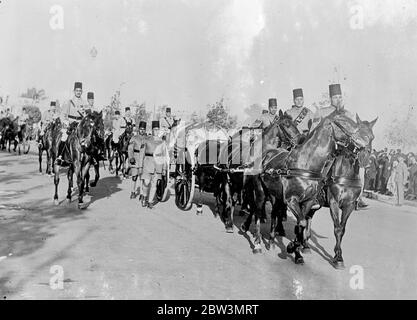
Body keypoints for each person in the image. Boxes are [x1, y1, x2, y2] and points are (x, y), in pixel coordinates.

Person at [137, 120, 167, 209]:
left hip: (158, 165)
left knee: (154, 184)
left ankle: (150, 202)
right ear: (152, 130)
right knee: (146, 182)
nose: (156, 131)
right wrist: (140, 166)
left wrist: (164, 168)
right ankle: (145, 197)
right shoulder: (146, 140)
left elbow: (164, 156)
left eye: (158, 129)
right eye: (155, 129)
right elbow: (141, 153)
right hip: (147, 162)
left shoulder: (162, 142)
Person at [56, 82, 87, 165]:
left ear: (82, 92)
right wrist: (65, 122)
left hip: (80, 124)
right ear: (74, 91)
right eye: (77, 90)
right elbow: (62, 114)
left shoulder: (85, 103)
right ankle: (60, 156)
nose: (78, 92)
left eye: (80, 91)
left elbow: (86, 115)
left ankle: (88, 158)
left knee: (87, 138)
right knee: (64, 137)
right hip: (70, 123)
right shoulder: (69, 102)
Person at [128, 121, 148, 200]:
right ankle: (133, 191)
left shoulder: (147, 138)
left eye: (143, 129)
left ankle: (142, 194)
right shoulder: (134, 138)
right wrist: (131, 157)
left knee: (143, 178)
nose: (142, 130)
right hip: (135, 158)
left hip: (144, 160)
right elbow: (130, 148)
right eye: (141, 129)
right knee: (134, 177)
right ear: (138, 129)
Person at [84, 91, 106, 161]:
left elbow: (98, 119)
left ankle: (100, 153)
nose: (92, 101)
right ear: (87, 100)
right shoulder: (85, 108)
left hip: (94, 127)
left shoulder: (96, 109)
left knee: (100, 137)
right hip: (86, 126)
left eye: (93, 100)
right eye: (90, 100)